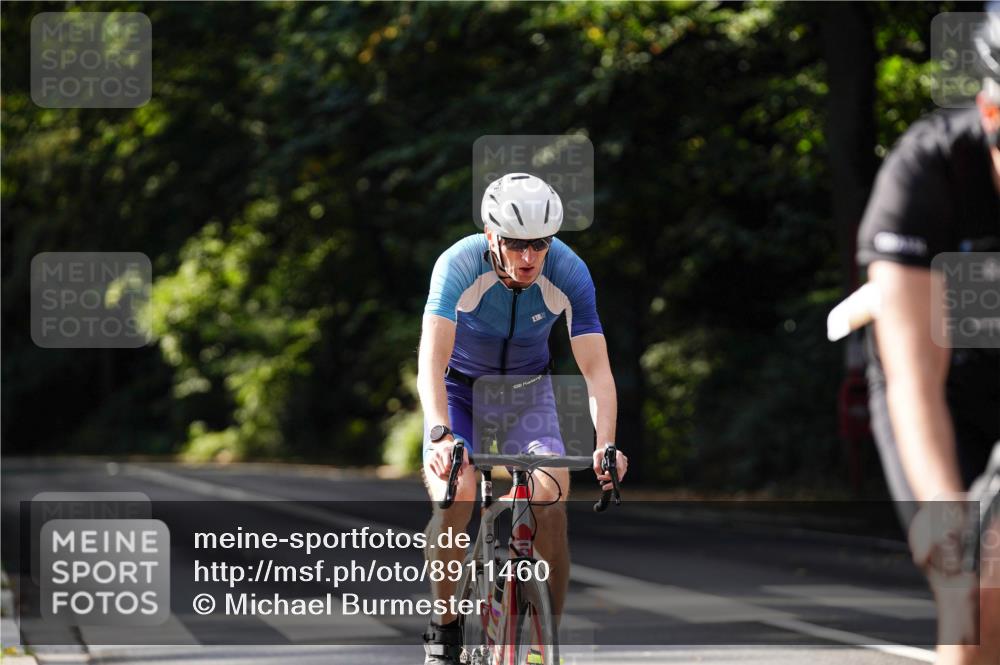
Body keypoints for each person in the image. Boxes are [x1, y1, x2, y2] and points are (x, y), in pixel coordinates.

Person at [417, 172, 628, 664]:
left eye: (540, 244)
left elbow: (596, 371)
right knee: (458, 495)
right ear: (492, 236)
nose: (529, 257)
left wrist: (607, 445)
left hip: (529, 395)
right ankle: (445, 631)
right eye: (516, 244)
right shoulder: (458, 264)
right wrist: (439, 432)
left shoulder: (570, 272)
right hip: (460, 392)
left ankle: (545, 637)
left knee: (552, 495)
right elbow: (431, 358)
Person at [856, 14, 1000, 664]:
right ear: (990, 109)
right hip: (944, 384)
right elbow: (915, 378)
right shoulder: (926, 171)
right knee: (971, 585)